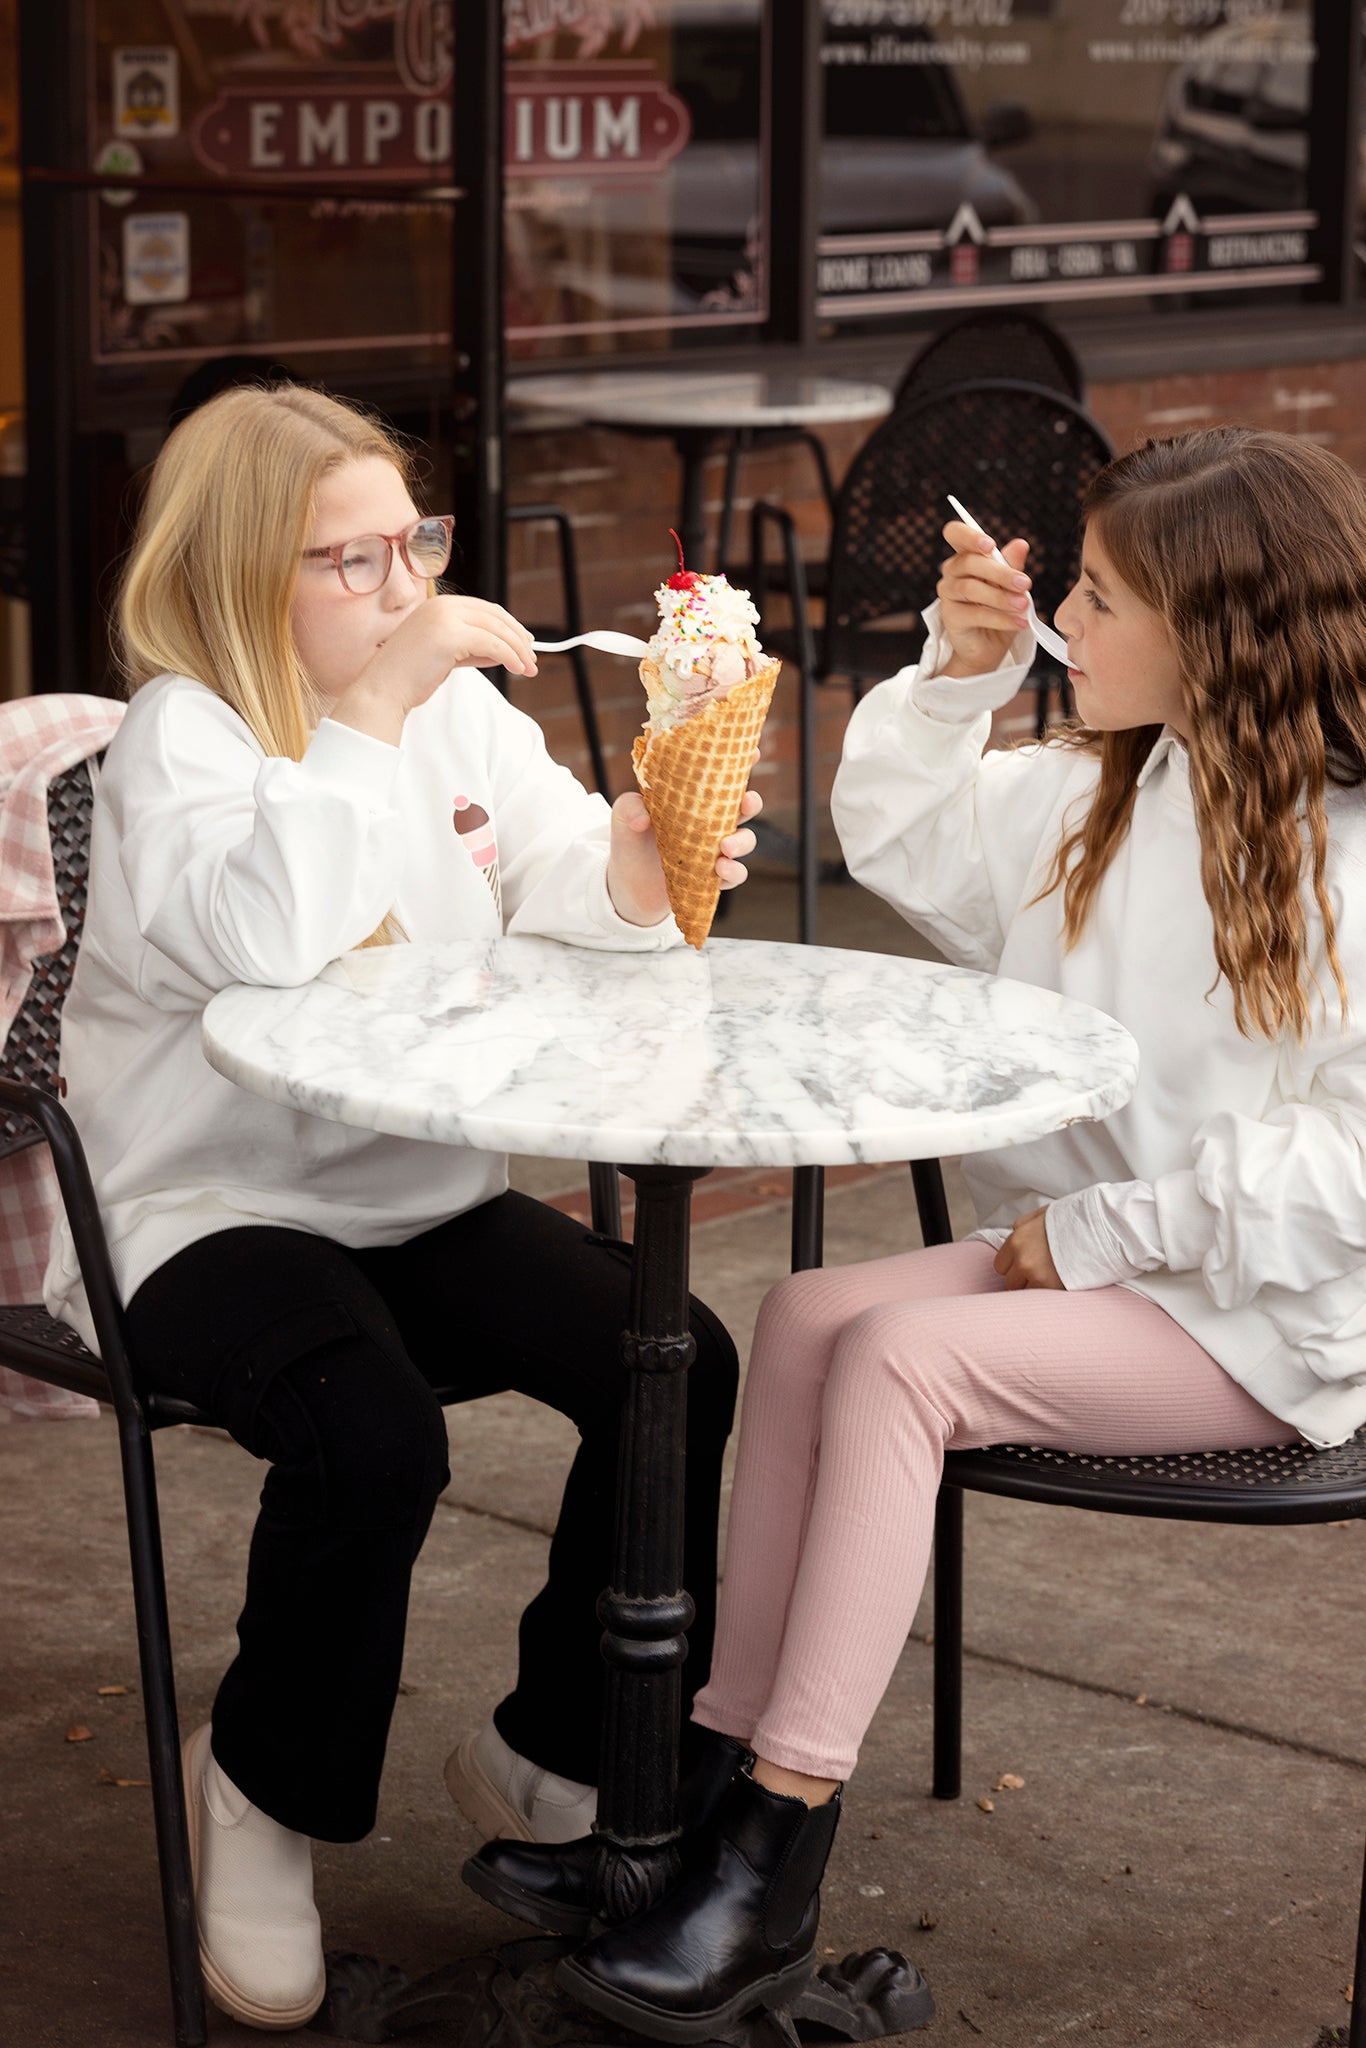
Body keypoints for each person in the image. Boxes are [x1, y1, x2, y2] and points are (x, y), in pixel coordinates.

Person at [475, 426, 1366, 2040]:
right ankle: (685, 1807)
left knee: (898, 1362)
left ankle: (769, 1861)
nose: (1062, 625)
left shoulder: (1345, 851)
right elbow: (897, 834)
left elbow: (1352, 1174)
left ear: (1216, 629)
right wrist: (954, 676)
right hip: (1126, 1263)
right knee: (814, 1314)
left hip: (1278, 1322)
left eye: (1094, 599)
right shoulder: (1118, 787)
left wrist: (1085, 1240)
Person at [43, 383, 760, 2031]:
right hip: (201, 1202)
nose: (398, 584)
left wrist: (647, 855)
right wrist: (369, 712)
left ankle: (549, 1747)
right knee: (370, 1434)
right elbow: (271, 941)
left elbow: (562, 874)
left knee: (677, 1360)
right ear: (239, 573)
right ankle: (260, 1799)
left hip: (412, 1188)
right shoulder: (185, 733)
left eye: (408, 544)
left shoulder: (456, 719)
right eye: (346, 557)